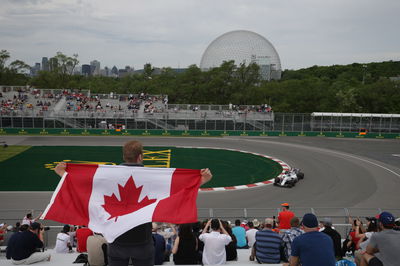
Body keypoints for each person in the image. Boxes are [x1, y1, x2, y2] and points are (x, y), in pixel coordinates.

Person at [54, 140, 212, 266]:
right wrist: (201, 180)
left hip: (116, 243)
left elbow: (81, 187)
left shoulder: (108, 176)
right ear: (141, 157)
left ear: (124, 156)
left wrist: (62, 173)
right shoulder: (152, 178)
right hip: (142, 244)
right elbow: (177, 190)